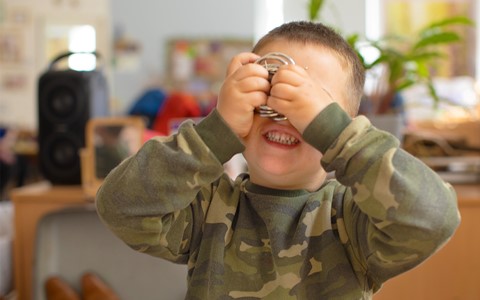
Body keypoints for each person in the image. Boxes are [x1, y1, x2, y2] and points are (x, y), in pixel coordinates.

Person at [95, 21, 460, 299]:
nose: (285, 114)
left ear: (341, 123)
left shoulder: (353, 219)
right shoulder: (207, 209)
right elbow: (120, 206)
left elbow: (433, 218)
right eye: (268, 92)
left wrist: (332, 131)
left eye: (312, 103)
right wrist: (215, 132)